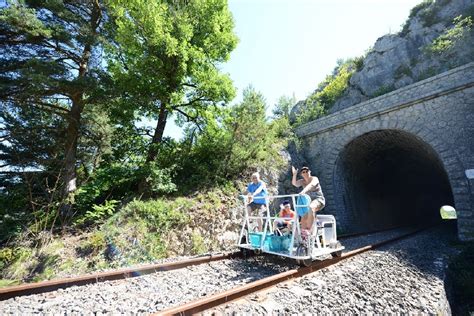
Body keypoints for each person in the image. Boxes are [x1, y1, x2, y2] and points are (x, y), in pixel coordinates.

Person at [291, 166, 325, 231]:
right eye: (303, 172)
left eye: (307, 171)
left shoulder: (314, 179)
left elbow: (311, 185)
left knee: (311, 207)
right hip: (309, 201)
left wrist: (303, 191)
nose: (306, 173)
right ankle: (304, 234)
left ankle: (308, 231)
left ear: (310, 172)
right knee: (304, 216)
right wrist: (294, 174)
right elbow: (294, 183)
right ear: (301, 174)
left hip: (318, 200)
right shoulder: (302, 181)